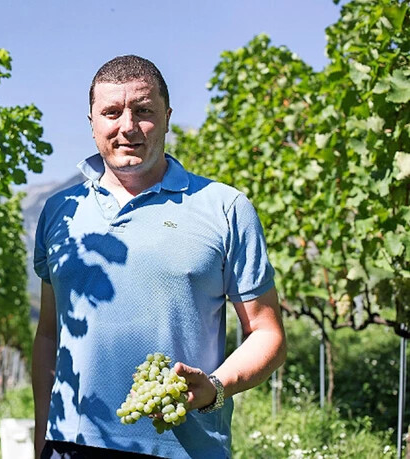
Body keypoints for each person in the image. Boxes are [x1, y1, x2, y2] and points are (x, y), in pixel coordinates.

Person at [31, 55, 286, 458]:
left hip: (185, 448)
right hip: (70, 447)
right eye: (111, 112)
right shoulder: (59, 211)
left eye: (144, 111)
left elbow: (267, 334)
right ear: (92, 121)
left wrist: (216, 386)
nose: (127, 126)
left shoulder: (225, 208)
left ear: (167, 117)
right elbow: (49, 334)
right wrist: (41, 443)